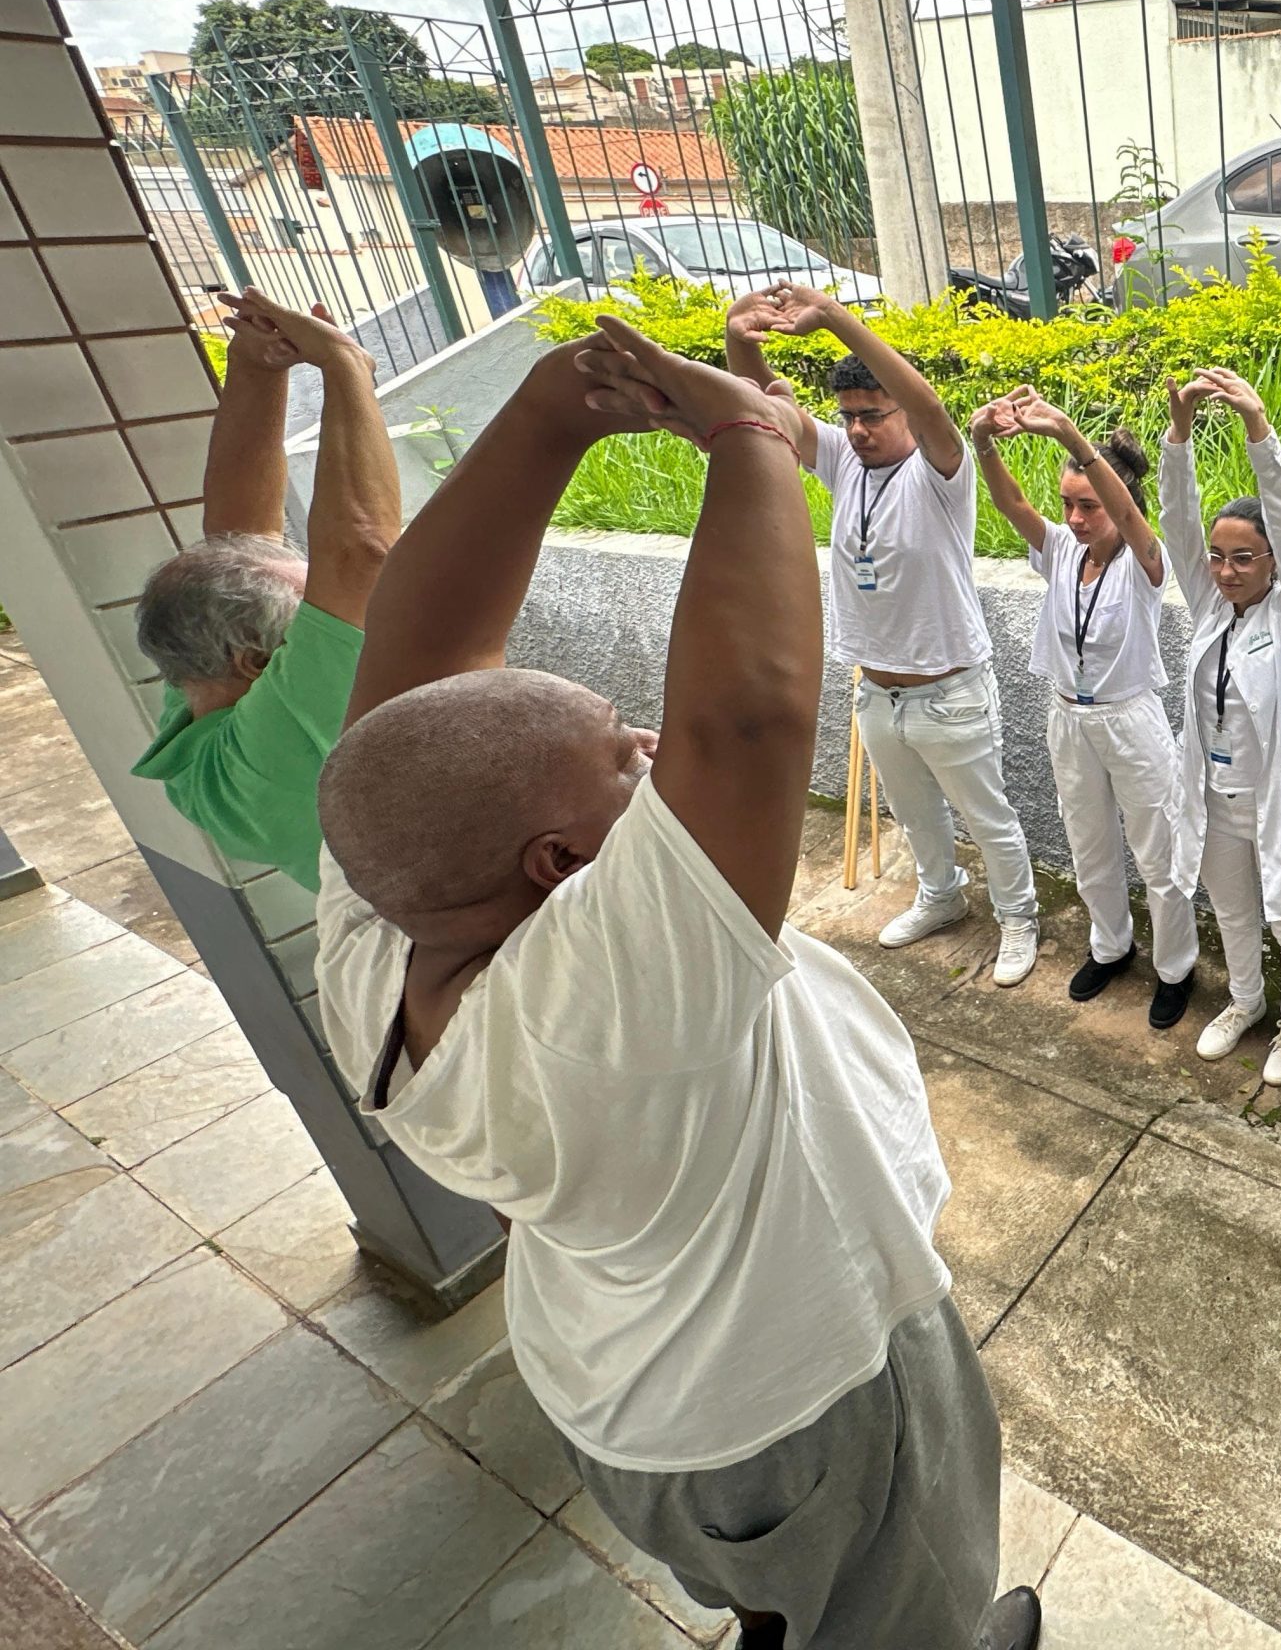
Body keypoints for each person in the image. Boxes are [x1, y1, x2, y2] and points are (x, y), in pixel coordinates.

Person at [311, 316, 1041, 1650]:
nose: (650, 742)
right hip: (809, 1401)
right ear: (558, 862)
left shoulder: (382, 914)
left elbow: (417, 674)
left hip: (625, 1402)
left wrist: (549, 411)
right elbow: (747, 721)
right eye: (617, 759)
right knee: (900, 1609)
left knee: (769, 1587)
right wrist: (746, 436)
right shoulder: (613, 1008)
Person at [726, 282, 1040, 987]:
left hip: (950, 690)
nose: (859, 430)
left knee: (987, 817)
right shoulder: (843, 461)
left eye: (873, 415)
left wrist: (836, 317)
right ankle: (942, 896)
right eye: (850, 417)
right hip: (878, 692)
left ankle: (1019, 918)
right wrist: (740, 337)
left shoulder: (939, 473)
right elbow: (759, 404)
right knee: (912, 815)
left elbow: (929, 406)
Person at [130, 290, 398, 892]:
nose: (337, 612)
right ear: (256, 662)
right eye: (314, 618)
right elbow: (362, 555)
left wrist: (255, 364)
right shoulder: (271, 745)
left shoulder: (198, 704)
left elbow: (237, 531)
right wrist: (346, 366)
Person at [970, 383, 1199, 1029]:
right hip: (1067, 716)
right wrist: (983, 439)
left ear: (1118, 506)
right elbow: (1010, 501)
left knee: (1159, 850)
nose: (1074, 519)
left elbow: (1131, 523)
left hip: (1130, 719)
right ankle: (1111, 946)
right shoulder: (1061, 553)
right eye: (1069, 505)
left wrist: (1069, 434)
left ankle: (1176, 967)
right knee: (1088, 841)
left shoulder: (1145, 564)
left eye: (1089, 507)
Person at [1160, 365, 1281, 1087]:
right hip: (1216, 797)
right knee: (1231, 906)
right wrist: (1179, 437)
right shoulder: (1208, 609)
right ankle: (1246, 1003)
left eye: (1243, 558)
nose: (1225, 571)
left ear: (1273, 565)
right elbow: (1176, 522)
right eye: (1219, 558)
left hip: (1273, 796)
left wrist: (1259, 428)